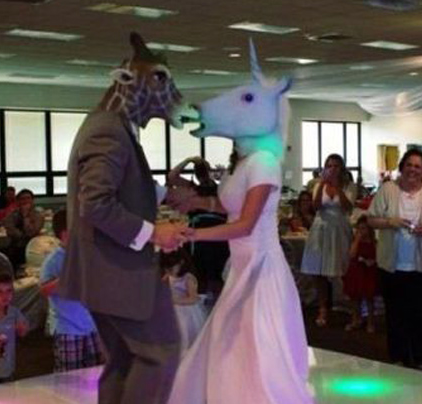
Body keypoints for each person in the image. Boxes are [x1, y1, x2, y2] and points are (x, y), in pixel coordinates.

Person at [166, 44, 312, 403]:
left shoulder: (264, 162)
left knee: (253, 342)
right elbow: (226, 204)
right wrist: (196, 202)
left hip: (260, 267)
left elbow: (245, 224)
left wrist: (193, 232)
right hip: (243, 264)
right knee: (233, 337)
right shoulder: (245, 163)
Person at [57, 32, 190, 404]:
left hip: (103, 274)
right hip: (119, 273)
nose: (168, 92)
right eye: (159, 80)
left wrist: (162, 194)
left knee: (124, 360)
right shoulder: (109, 129)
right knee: (160, 354)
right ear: (129, 83)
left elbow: (112, 191)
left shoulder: (109, 125)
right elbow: (95, 202)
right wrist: (154, 233)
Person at [368, 149, 422, 369]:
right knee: (396, 315)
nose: (412, 170)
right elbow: (371, 219)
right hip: (393, 266)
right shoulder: (388, 189)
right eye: (409, 165)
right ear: (402, 167)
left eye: (418, 166)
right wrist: (390, 222)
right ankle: (398, 358)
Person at [40, 209, 103, 372]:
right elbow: (44, 290)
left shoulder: (88, 253)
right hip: (67, 326)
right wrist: (66, 277)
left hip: (92, 323)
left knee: (96, 368)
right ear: (65, 234)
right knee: (69, 373)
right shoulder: (54, 260)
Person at [300, 154, 356, 327]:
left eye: (336, 166)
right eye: (329, 166)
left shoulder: (349, 186)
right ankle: (323, 308)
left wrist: (337, 187)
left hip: (339, 227)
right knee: (319, 270)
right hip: (321, 228)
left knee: (342, 268)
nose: (332, 169)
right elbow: (316, 206)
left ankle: (351, 306)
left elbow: (348, 207)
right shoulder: (319, 185)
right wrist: (324, 184)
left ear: (342, 168)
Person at [168, 156, 229, 297]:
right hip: (201, 233)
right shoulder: (194, 188)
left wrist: (188, 161)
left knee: (216, 267)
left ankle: (215, 296)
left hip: (216, 233)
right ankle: (202, 296)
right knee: (202, 268)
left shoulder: (220, 188)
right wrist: (189, 160)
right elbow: (172, 177)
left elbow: (172, 176)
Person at [160, 249, 207, 356]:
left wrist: (175, 300)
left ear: (181, 262)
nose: (168, 272)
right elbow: (162, 285)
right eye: (166, 269)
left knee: (185, 332)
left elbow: (193, 298)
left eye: (170, 269)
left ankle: (186, 354)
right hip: (172, 308)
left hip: (186, 311)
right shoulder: (169, 275)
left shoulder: (187, 278)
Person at [342, 215, 378, 333]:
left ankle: (370, 322)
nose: (361, 231)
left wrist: (372, 261)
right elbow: (352, 255)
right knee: (355, 298)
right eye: (359, 228)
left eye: (364, 228)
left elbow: (378, 256)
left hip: (368, 273)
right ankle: (356, 319)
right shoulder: (355, 242)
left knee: (369, 298)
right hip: (356, 271)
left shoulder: (374, 242)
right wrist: (357, 240)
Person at [3, 189, 44, 269]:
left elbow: (31, 233)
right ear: (18, 201)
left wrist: (26, 217)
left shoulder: (38, 216)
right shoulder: (12, 215)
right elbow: (12, 231)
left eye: (28, 198)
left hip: (34, 248)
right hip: (16, 248)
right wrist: (22, 235)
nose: (26, 201)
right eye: (23, 199)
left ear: (32, 200)